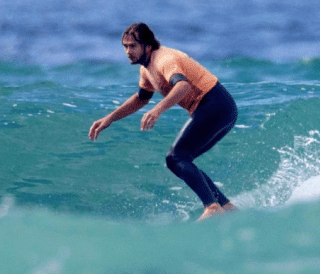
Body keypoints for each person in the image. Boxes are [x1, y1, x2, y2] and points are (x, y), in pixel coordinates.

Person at [88, 22, 238, 221]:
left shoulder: (164, 60)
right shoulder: (147, 68)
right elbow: (141, 98)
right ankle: (226, 207)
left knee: (176, 158)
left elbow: (182, 86)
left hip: (214, 104)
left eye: (132, 46)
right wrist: (109, 119)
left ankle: (212, 207)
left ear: (147, 46)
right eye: (125, 46)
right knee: (182, 159)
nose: (127, 51)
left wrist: (158, 109)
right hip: (222, 108)